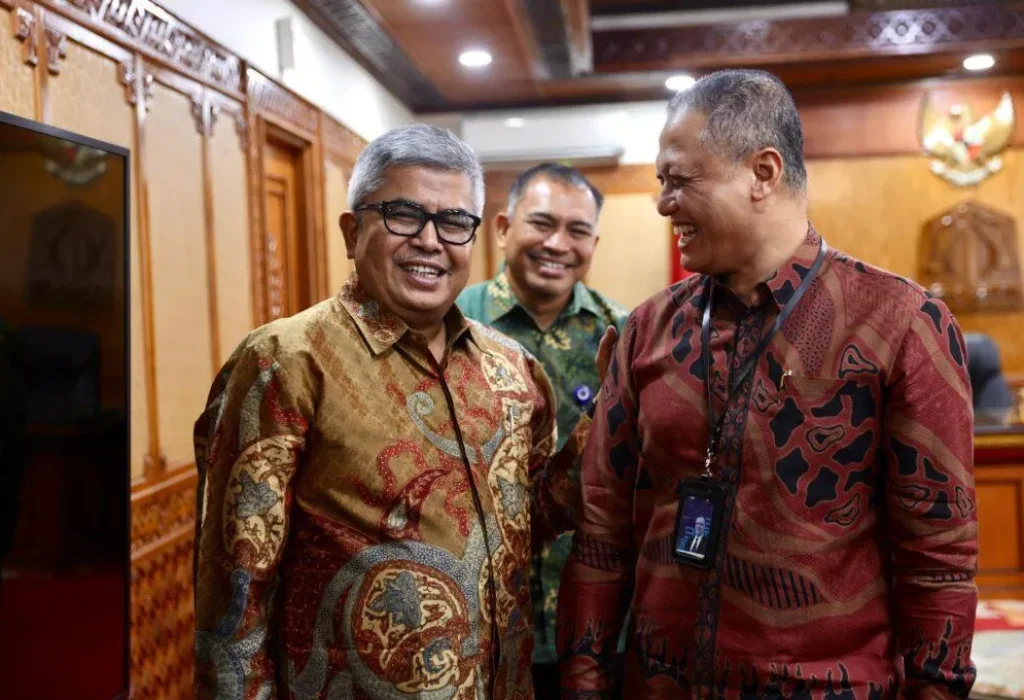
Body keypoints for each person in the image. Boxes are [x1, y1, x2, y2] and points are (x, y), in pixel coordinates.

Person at [557, 69, 978, 699]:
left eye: (679, 179)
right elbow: (601, 532)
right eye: (660, 183)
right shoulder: (647, 330)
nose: (662, 202)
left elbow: (938, 559)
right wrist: (583, 685)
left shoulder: (899, 323)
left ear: (763, 172)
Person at [192, 124, 613, 699]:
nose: (430, 240)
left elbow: (533, 519)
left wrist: (611, 414)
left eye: (453, 222)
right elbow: (235, 594)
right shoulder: (284, 363)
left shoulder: (513, 370)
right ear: (351, 230)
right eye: (403, 215)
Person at [457, 163, 628, 697]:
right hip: (476, 622)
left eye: (577, 231)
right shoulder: (450, 323)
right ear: (504, 227)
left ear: (594, 243)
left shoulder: (622, 335)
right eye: (542, 224)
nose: (558, 244)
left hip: (599, 624)